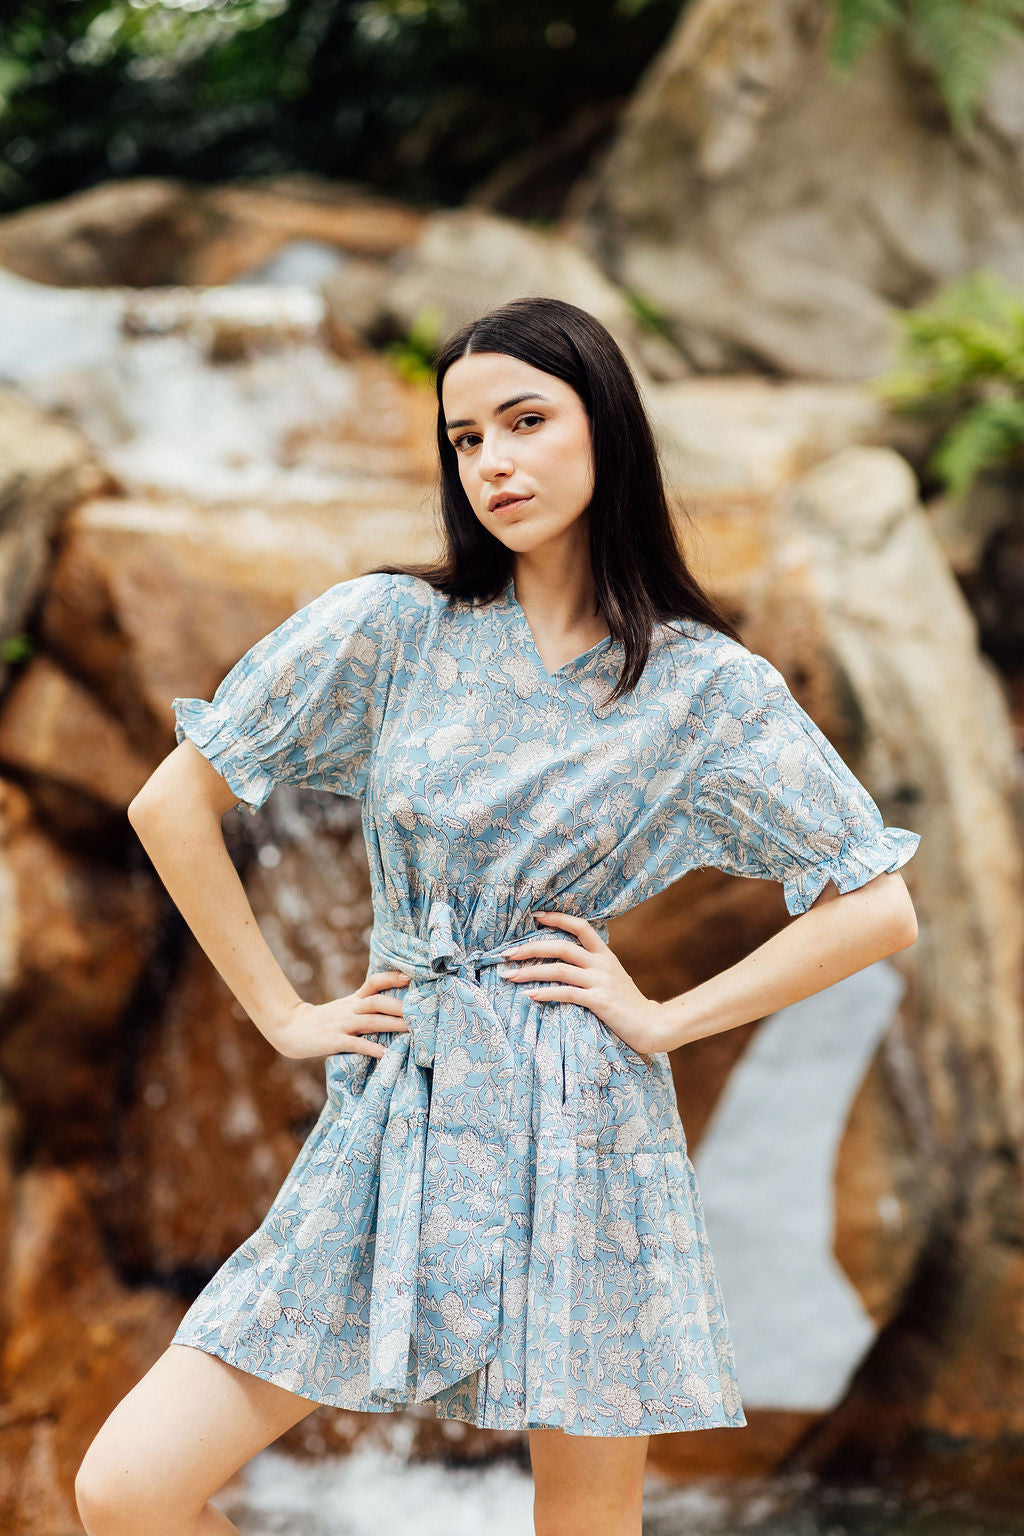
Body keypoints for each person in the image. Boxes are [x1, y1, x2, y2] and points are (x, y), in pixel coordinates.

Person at [75, 295, 921, 1536]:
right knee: (127, 1486)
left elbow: (877, 903)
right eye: (465, 438)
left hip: (585, 1115)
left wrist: (663, 1018)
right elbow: (172, 804)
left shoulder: (702, 686)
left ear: (606, 430)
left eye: (525, 421)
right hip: (401, 1097)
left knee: (583, 1524)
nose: (493, 463)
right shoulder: (392, 628)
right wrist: (284, 1015)